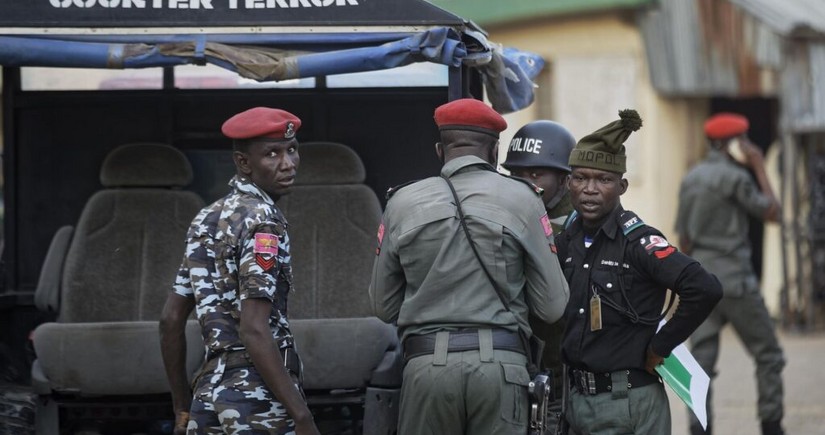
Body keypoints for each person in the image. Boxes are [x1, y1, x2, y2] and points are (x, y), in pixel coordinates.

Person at [369, 98, 570, 435]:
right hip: (501, 370)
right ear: (494, 152)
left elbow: (382, 307)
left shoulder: (401, 202)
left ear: (439, 150)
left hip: (425, 370)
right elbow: (551, 308)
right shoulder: (524, 199)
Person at [557, 109, 722, 434]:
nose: (590, 189)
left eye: (603, 180)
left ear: (622, 186)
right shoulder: (566, 239)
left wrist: (661, 346)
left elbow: (704, 288)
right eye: (580, 178)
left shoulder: (639, 241)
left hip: (628, 401)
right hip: (576, 401)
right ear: (568, 183)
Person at [159, 107, 320, 435]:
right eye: (272, 154)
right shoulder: (264, 221)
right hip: (258, 398)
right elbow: (254, 329)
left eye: (292, 150)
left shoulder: (206, 218)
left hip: (208, 397)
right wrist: (302, 417)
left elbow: (170, 320)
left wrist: (181, 408)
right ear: (244, 162)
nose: (287, 163)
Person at [675, 113, 785, 435]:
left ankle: (699, 429)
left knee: (700, 364)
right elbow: (773, 212)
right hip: (735, 281)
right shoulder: (737, 177)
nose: (750, 146)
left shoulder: (691, 177)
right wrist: (760, 166)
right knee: (768, 354)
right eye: (745, 140)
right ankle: (772, 425)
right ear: (733, 143)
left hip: (701, 282)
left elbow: (684, 239)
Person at [501, 120, 577, 430]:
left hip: (566, 362)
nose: (525, 184)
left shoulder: (584, 220)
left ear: (564, 179)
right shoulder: (505, 210)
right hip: (522, 357)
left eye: (536, 175)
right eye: (517, 175)